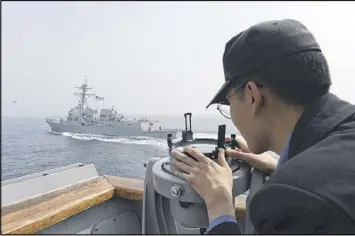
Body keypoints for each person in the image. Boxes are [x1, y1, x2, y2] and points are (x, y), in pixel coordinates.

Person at [171, 19, 355, 234]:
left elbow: (311, 190)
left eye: (228, 102)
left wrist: (219, 204)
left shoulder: (291, 198)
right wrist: (282, 166)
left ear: (253, 97)